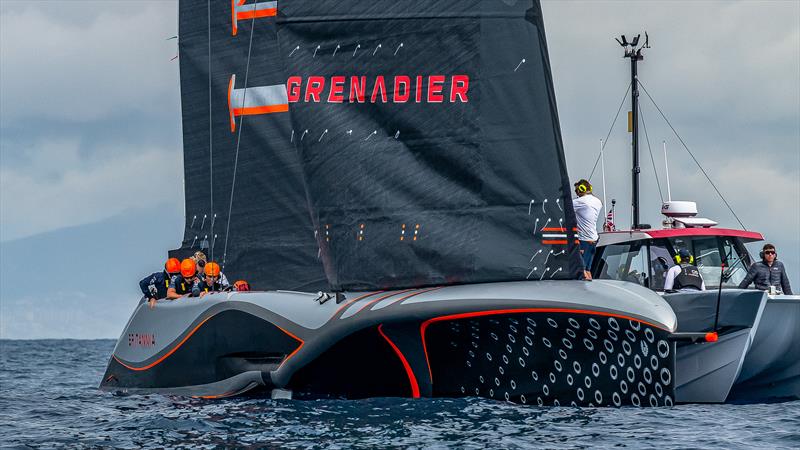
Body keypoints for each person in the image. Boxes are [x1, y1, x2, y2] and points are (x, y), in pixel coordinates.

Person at [573, 179, 602, 280]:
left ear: (582, 189)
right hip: (593, 240)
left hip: (584, 240)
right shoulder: (597, 201)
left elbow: (564, 207)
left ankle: (584, 292)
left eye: (577, 191)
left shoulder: (581, 201)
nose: (576, 193)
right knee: (588, 270)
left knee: (582, 271)